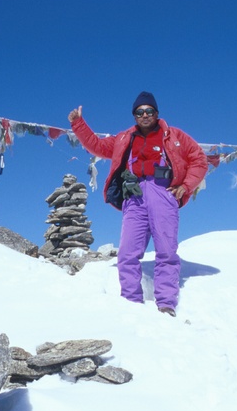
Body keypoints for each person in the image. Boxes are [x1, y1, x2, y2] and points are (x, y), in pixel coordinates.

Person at [68, 92, 208, 317]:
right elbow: (97, 146)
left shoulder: (175, 135)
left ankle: (166, 303)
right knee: (127, 252)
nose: (145, 115)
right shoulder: (124, 138)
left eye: (149, 111)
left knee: (166, 250)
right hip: (134, 194)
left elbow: (199, 159)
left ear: (156, 113)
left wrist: (186, 186)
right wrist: (78, 123)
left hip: (163, 192)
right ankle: (131, 302)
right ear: (134, 115)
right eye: (139, 112)